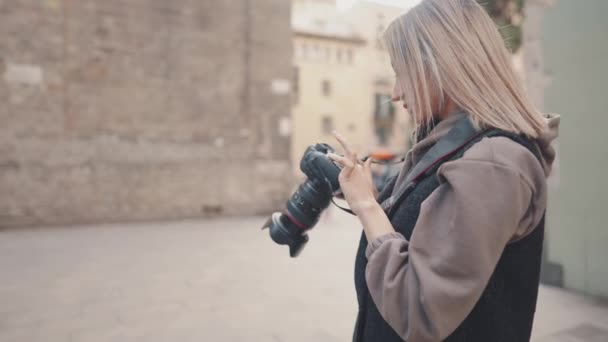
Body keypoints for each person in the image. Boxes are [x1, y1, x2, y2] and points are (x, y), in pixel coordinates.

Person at [326, 0, 560, 341]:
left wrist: (367, 206)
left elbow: (420, 309)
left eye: (400, 72)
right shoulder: (448, 145)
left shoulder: (492, 163)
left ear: (437, 65)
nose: (395, 93)